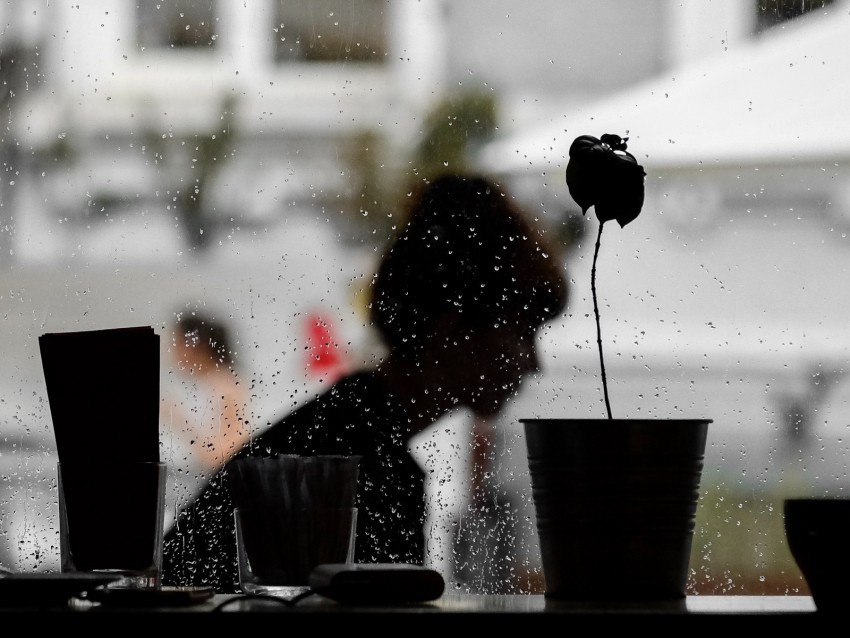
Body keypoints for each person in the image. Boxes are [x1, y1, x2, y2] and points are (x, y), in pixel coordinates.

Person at [161, 173, 569, 593]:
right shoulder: (363, 467)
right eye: (524, 331)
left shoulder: (343, 430)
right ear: (453, 330)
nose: (534, 364)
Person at [160, 313, 251, 523]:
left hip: (212, 487)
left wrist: (180, 421)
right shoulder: (207, 384)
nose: (171, 352)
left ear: (196, 346)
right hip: (195, 480)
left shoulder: (225, 386)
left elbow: (227, 455)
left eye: (176, 343)